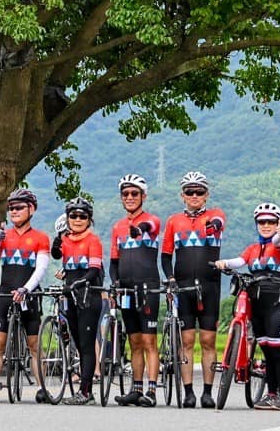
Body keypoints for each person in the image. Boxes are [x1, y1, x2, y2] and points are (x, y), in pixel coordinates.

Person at [213, 202, 280, 409]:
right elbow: (239, 261)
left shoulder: (279, 244)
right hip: (257, 303)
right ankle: (271, 393)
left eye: (271, 222)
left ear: (277, 223)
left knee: (277, 351)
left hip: (275, 301)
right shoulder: (253, 248)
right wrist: (223, 263)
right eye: (262, 222)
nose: (266, 225)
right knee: (265, 350)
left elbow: (279, 241)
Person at [160, 170, 225, 408]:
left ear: (206, 195)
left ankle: (207, 392)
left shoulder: (216, 215)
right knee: (186, 340)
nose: (194, 195)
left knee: (208, 340)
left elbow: (218, 225)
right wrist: (170, 278)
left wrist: (212, 224)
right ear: (182, 196)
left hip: (210, 286)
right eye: (190, 192)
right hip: (184, 288)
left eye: (199, 191)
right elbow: (166, 257)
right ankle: (188, 392)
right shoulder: (173, 222)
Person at [0, 188, 52, 403]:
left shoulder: (40, 237)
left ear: (31, 209)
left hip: (28, 292)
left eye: (19, 207)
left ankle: (41, 387)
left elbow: (40, 269)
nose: (14, 211)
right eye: (11, 208)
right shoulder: (6, 234)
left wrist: (26, 289)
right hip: (5, 292)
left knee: (33, 344)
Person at [109, 173, 162, 407]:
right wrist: (115, 285)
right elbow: (113, 262)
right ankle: (136, 388)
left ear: (143, 196)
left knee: (150, 341)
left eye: (134, 194)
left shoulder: (152, 220)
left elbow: (150, 227)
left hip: (148, 287)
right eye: (125, 194)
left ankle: (151, 391)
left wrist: (139, 228)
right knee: (134, 342)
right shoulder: (118, 227)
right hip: (127, 291)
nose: (129, 197)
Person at [50, 197, 103, 405]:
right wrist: (56, 245)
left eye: (83, 216)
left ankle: (86, 391)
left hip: (89, 297)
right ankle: (84, 387)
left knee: (87, 345)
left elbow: (93, 270)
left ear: (89, 219)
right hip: (71, 297)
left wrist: (79, 282)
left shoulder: (93, 240)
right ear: (68, 218)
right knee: (79, 345)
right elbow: (57, 256)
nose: (78, 219)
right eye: (73, 216)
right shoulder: (66, 240)